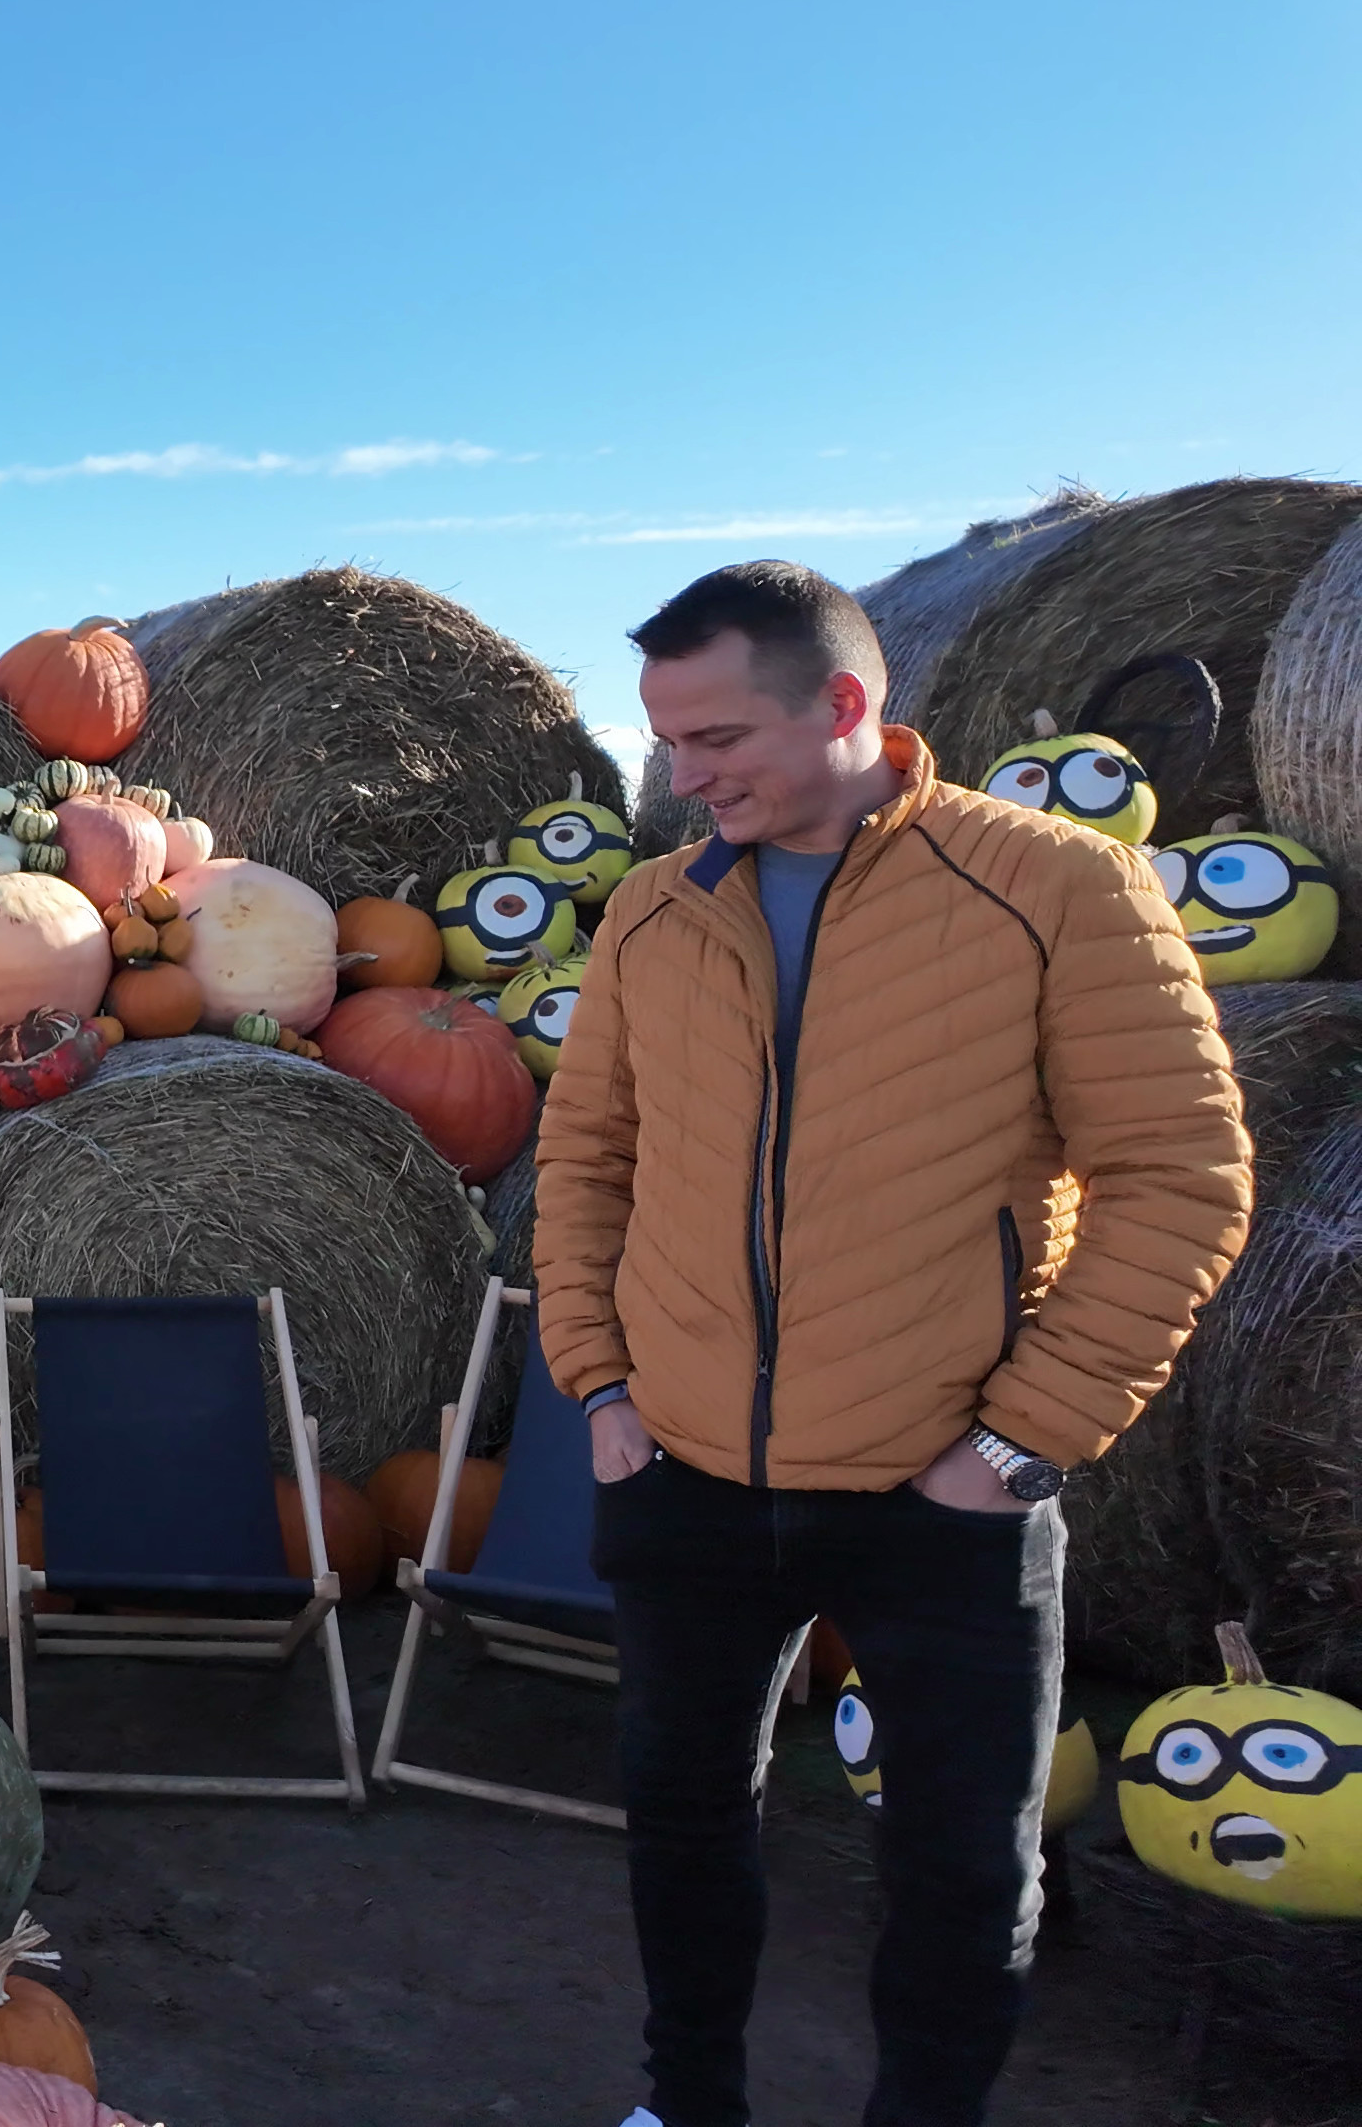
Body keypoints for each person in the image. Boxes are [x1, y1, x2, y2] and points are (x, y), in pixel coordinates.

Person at [533, 561, 1252, 2127]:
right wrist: (599, 1387)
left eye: (717, 737)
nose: (683, 775)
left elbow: (1182, 1179)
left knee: (961, 1869)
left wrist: (1016, 1447)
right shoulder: (657, 911)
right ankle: (687, 2104)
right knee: (682, 1826)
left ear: (849, 705)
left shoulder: (1055, 888)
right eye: (666, 742)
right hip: (685, 1475)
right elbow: (586, 1160)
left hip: (946, 1497)